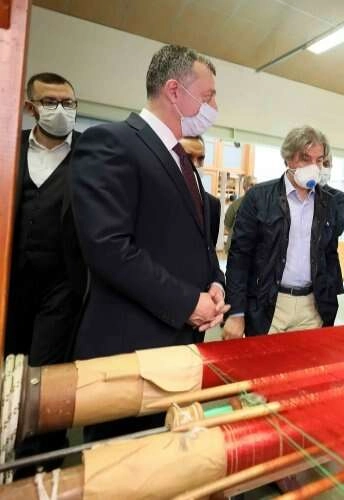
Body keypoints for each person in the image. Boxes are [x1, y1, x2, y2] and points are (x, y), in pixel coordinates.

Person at [71, 45, 228, 441]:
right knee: (125, 459)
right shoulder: (112, 143)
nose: (213, 106)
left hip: (179, 345)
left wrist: (215, 283)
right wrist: (187, 302)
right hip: (132, 347)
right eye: (208, 96)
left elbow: (198, 242)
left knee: (168, 455)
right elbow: (108, 247)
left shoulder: (183, 162)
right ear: (174, 91)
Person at [6, 72, 88, 476]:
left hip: (62, 286)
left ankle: (41, 466)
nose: (61, 110)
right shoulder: (9, 146)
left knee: (48, 374)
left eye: (68, 103)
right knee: (11, 372)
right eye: (50, 102)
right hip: (11, 284)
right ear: (30, 107)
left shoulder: (88, 155)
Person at [223, 126, 344, 338]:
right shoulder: (259, 198)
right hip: (269, 304)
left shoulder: (329, 203)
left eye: (319, 160)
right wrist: (236, 312)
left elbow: (329, 254)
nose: (314, 167)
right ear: (288, 158)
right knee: (264, 359)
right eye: (305, 159)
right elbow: (239, 258)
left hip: (312, 307)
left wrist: (330, 299)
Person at [179, 135, 222, 246]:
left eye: (200, 159)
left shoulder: (213, 204)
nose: (195, 164)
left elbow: (210, 247)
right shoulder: (157, 196)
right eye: (188, 157)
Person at [224, 175, 256, 252]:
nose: (254, 187)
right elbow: (227, 225)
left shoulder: (261, 205)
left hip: (253, 248)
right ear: (244, 187)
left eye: (256, 185)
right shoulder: (235, 204)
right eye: (251, 185)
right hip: (236, 247)